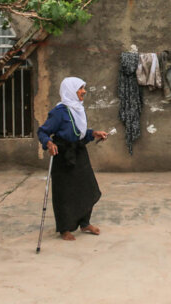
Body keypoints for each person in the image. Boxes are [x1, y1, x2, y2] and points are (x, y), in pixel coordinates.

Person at [38, 77, 108, 241]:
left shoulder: (78, 109)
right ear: (70, 91)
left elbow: (79, 133)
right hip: (62, 154)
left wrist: (94, 134)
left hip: (79, 152)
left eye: (83, 88)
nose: (84, 91)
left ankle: (84, 223)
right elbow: (42, 131)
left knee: (87, 187)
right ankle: (64, 229)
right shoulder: (59, 112)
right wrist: (48, 143)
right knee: (65, 192)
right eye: (80, 88)